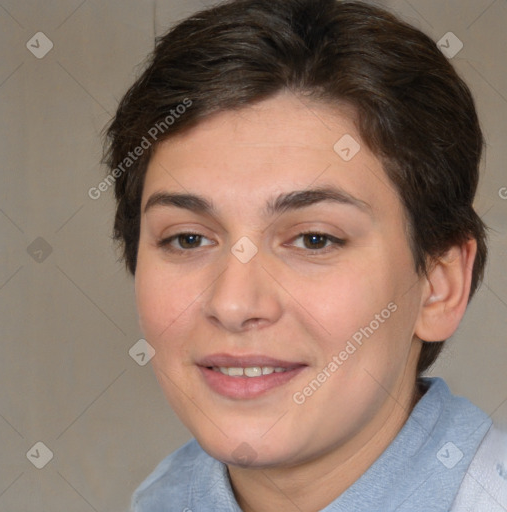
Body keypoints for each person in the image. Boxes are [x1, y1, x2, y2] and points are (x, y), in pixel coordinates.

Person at [103, 0, 507, 510]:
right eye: (188, 239)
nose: (233, 303)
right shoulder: (157, 500)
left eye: (314, 239)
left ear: (438, 284)